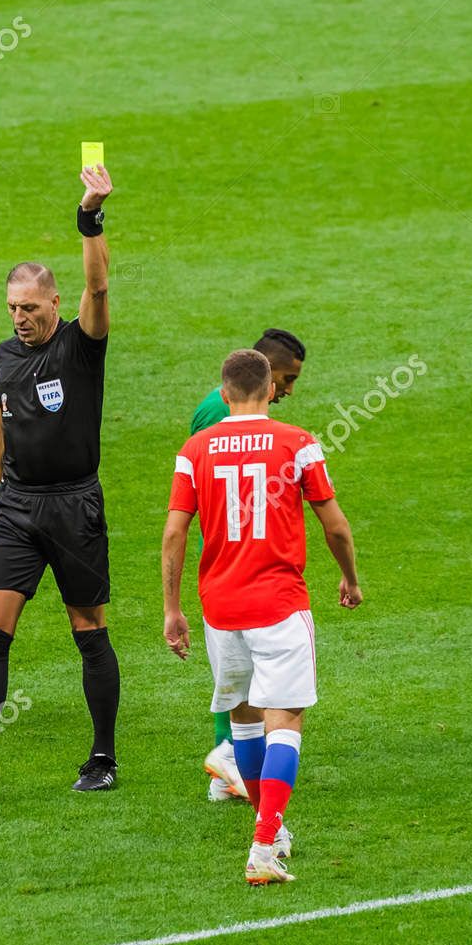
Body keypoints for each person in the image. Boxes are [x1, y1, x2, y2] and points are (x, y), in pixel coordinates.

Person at [0, 163, 120, 797]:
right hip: (18, 507)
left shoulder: (81, 344)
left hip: (73, 506)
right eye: (12, 308)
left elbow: (99, 285)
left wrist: (89, 216)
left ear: (54, 304)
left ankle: (103, 756)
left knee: (87, 631)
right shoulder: (7, 356)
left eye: (30, 308)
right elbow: (2, 422)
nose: (20, 319)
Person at [162, 348, 363, 885]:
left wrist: (172, 607)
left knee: (245, 722)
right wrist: (349, 577)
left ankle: (267, 829)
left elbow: (175, 533)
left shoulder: (195, 450)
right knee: (286, 720)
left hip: (220, 611)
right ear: (271, 389)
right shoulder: (298, 444)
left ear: (223, 394)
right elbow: (336, 526)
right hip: (278, 605)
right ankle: (264, 844)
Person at [187, 328, 307, 801]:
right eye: (288, 378)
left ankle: (227, 775)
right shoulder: (225, 417)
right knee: (242, 678)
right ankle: (228, 755)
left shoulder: (220, 408)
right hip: (240, 562)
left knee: (237, 675)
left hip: (229, 561)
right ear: (267, 372)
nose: (290, 390)